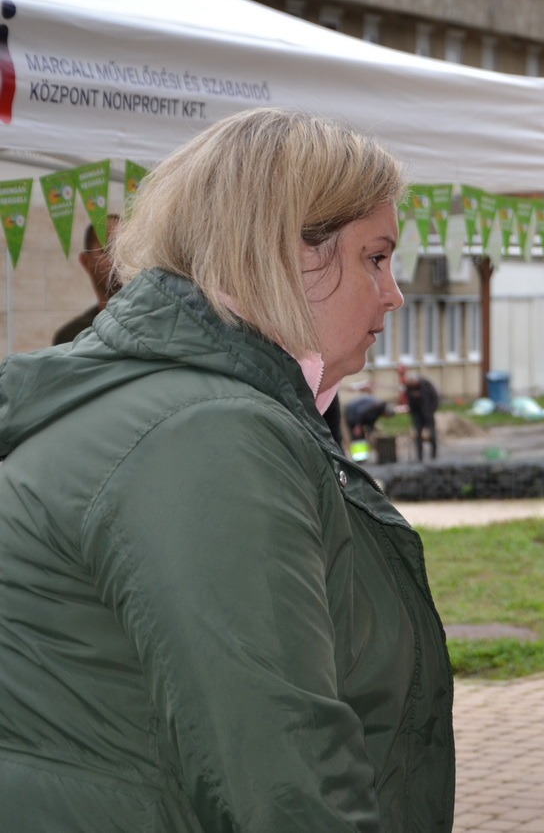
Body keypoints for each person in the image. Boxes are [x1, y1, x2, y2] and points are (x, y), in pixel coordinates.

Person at [0, 108, 455, 830]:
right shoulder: (208, 434)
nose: (394, 293)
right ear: (283, 253)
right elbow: (282, 778)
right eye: (376, 258)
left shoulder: (196, 410)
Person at [52, 216, 122, 344]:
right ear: (86, 261)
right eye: (108, 251)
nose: (118, 260)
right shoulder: (71, 337)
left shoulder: (153, 324)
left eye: (126, 251)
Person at [403, 371, 440, 460]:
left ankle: (433, 455)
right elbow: (408, 399)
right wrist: (410, 410)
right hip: (417, 414)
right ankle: (419, 456)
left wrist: (431, 410)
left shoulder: (426, 386)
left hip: (428, 413)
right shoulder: (409, 388)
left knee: (432, 434)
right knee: (418, 435)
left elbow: (435, 398)